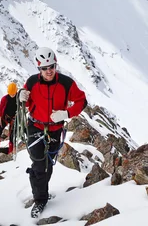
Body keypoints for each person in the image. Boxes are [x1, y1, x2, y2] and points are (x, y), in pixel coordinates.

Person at [18, 47, 87, 218]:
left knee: (48, 165)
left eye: (51, 67)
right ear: (39, 68)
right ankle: (40, 200)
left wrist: (67, 114)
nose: (49, 71)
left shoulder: (66, 83)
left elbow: (82, 101)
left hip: (55, 130)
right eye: (45, 68)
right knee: (39, 164)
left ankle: (40, 189)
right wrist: (20, 96)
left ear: (55, 65)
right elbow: (26, 101)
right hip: (35, 127)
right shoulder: (32, 82)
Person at [0, 82, 18, 155]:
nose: (12, 95)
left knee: (12, 135)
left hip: (14, 118)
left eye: (14, 94)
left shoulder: (18, 97)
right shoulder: (4, 98)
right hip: (4, 117)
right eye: (11, 94)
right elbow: (0, 109)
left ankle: (11, 151)